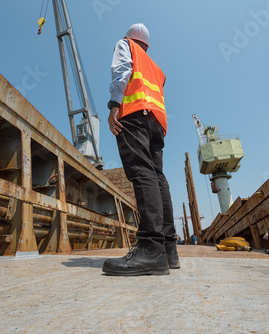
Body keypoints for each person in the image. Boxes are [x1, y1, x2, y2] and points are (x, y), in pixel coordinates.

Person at [102, 23, 180, 276]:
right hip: (157, 123)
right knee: (158, 177)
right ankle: (168, 249)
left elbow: (122, 71)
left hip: (134, 114)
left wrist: (114, 104)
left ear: (130, 38)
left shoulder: (125, 45)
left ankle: (150, 248)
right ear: (147, 44)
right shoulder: (157, 68)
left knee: (141, 172)